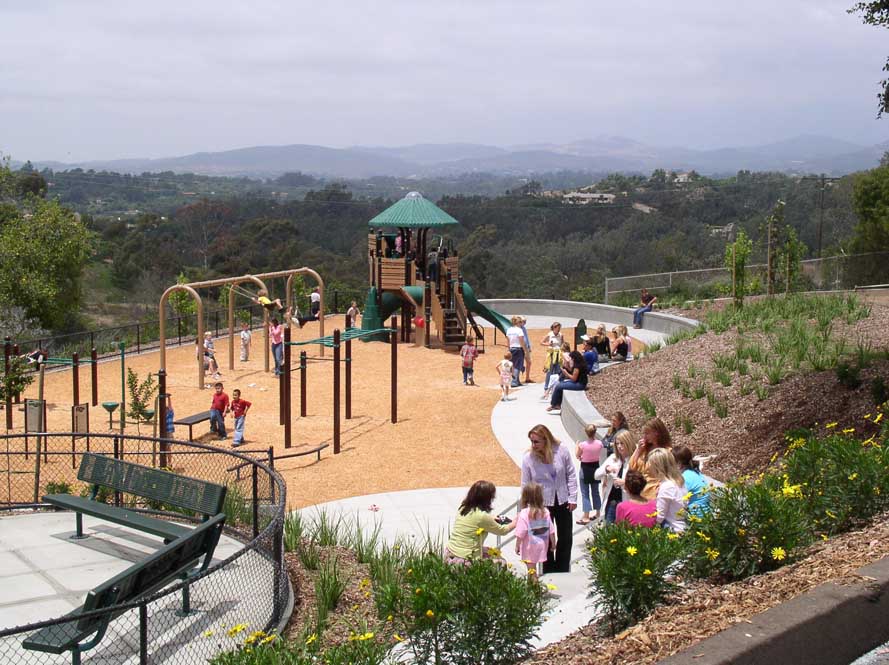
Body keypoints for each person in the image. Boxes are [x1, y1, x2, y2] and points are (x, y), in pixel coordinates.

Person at [521, 424, 577, 573]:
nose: (533, 445)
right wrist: (525, 508)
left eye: (536, 441)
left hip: (563, 500)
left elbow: (571, 474)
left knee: (565, 537)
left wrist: (573, 497)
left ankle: (563, 569)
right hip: (541, 504)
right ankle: (548, 569)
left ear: (546, 439)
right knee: (543, 538)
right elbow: (525, 484)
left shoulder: (561, 450)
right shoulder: (528, 458)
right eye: (532, 441)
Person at [445, 480, 515, 563]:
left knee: (489, 550)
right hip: (466, 558)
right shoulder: (482, 516)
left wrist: (490, 518)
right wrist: (516, 521)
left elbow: (474, 519)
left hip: (450, 552)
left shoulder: (463, 507)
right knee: (501, 562)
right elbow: (502, 530)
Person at [514, 482, 556, 574]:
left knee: (532, 572)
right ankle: (533, 582)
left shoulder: (524, 513)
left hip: (529, 547)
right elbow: (551, 531)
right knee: (533, 570)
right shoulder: (545, 512)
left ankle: (534, 583)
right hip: (542, 545)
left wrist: (517, 545)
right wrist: (553, 544)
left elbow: (521, 532)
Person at [596, 430, 636, 524]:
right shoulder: (613, 458)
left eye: (622, 443)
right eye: (617, 444)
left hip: (627, 502)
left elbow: (640, 483)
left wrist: (625, 483)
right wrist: (606, 469)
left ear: (628, 442)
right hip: (612, 502)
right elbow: (596, 475)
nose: (619, 446)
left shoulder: (634, 461)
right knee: (608, 529)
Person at [629, 417, 673, 500]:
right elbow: (631, 467)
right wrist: (638, 450)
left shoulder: (667, 452)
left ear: (656, 433)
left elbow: (669, 474)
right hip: (640, 491)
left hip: (654, 493)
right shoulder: (643, 449)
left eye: (647, 433)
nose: (644, 436)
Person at [647, 448, 688, 533]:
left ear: (657, 466)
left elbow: (659, 517)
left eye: (650, 463)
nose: (648, 466)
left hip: (672, 529)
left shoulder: (667, 486)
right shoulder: (678, 481)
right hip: (682, 526)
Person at [575, 424, 604, 524]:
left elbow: (577, 455)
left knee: (585, 493)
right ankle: (598, 513)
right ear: (595, 432)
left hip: (585, 469)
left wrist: (576, 446)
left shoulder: (582, 445)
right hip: (595, 469)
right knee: (595, 492)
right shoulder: (599, 443)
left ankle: (586, 516)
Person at [673, 445, 712, 516]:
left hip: (696, 516)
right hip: (706, 514)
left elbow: (677, 501)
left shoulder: (685, 478)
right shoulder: (695, 472)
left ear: (679, 463)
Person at [540, 322, 564, 393]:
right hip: (551, 354)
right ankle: (546, 387)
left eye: (559, 328)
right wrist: (548, 344)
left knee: (557, 371)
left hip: (558, 354)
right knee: (549, 371)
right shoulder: (549, 334)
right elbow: (541, 342)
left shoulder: (561, 335)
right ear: (554, 328)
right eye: (558, 328)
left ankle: (554, 387)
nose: (559, 329)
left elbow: (562, 344)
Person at [506, 316, 528, 388]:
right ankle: (514, 381)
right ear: (518, 323)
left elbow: (508, 341)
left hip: (512, 348)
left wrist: (508, 349)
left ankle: (517, 380)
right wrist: (525, 350)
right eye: (521, 322)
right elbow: (521, 341)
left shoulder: (509, 330)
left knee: (513, 365)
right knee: (518, 365)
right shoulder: (519, 330)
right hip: (518, 349)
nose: (521, 324)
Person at [519, 316, 533, 383]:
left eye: (525, 321)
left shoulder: (524, 328)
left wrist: (529, 346)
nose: (525, 322)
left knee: (529, 362)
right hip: (520, 347)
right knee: (519, 363)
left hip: (526, 347)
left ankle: (527, 378)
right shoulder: (518, 329)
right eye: (523, 321)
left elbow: (526, 338)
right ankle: (516, 379)